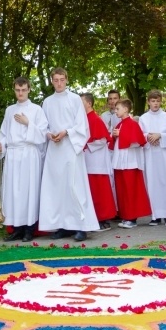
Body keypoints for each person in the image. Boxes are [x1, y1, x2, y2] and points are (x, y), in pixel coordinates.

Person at [39, 67, 99, 241]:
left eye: (62, 80)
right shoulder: (47, 102)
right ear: (52, 81)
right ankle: (62, 225)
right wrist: (50, 134)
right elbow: (44, 125)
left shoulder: (74, 99)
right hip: (55, 149)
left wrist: (66, 132)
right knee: (57, 188)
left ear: (66, 80)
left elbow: (82, 125)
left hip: (71, 148)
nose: (59, 83)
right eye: (56, 80)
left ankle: (81, 226)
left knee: (75, 186)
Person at [0, 77, 48, 242]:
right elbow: (4, 133)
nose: (20, 93)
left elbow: (43, 134)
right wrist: (1, 145)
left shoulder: (36, 110)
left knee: (28, 191)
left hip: (28, 153)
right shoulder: (9, 110)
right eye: (18, 90)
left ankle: (29, 229)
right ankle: (16, 229)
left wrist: (28, 123)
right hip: (13, 154)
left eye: (23, 90)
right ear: (14, 90)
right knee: (13, 192)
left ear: (29, 90)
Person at [112, 99, 151, 228]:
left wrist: (121, 134)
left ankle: (132, 218)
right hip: (120, 162)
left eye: (118, 108)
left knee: (130, 190)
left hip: (130, 162)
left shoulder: (133, 124)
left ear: (126, 109)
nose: (115, 111)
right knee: (122, 190)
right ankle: (125, 216)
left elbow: (137, 142)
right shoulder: (120, 124)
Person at [80, 93, 116, 231]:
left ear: (89, 103)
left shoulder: (95, 119)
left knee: (100, 190)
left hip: (96, 162)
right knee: (93, 190)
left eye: (81, 102)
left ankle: (104, 219)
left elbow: (102, 139)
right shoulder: (85, 119)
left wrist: (86, 145)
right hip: (88, 160)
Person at [138, 90, 166, 225]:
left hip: (163, 155)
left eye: (158, 101)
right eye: (153, 101)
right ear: (148, 102)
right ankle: (155, 215)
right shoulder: (143, 118)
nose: (155, 104)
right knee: (151, 183)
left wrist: (160, 135)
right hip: (150, 155)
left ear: (161, 102)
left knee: (165, 182)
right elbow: (140, 134)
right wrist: (148, 136)